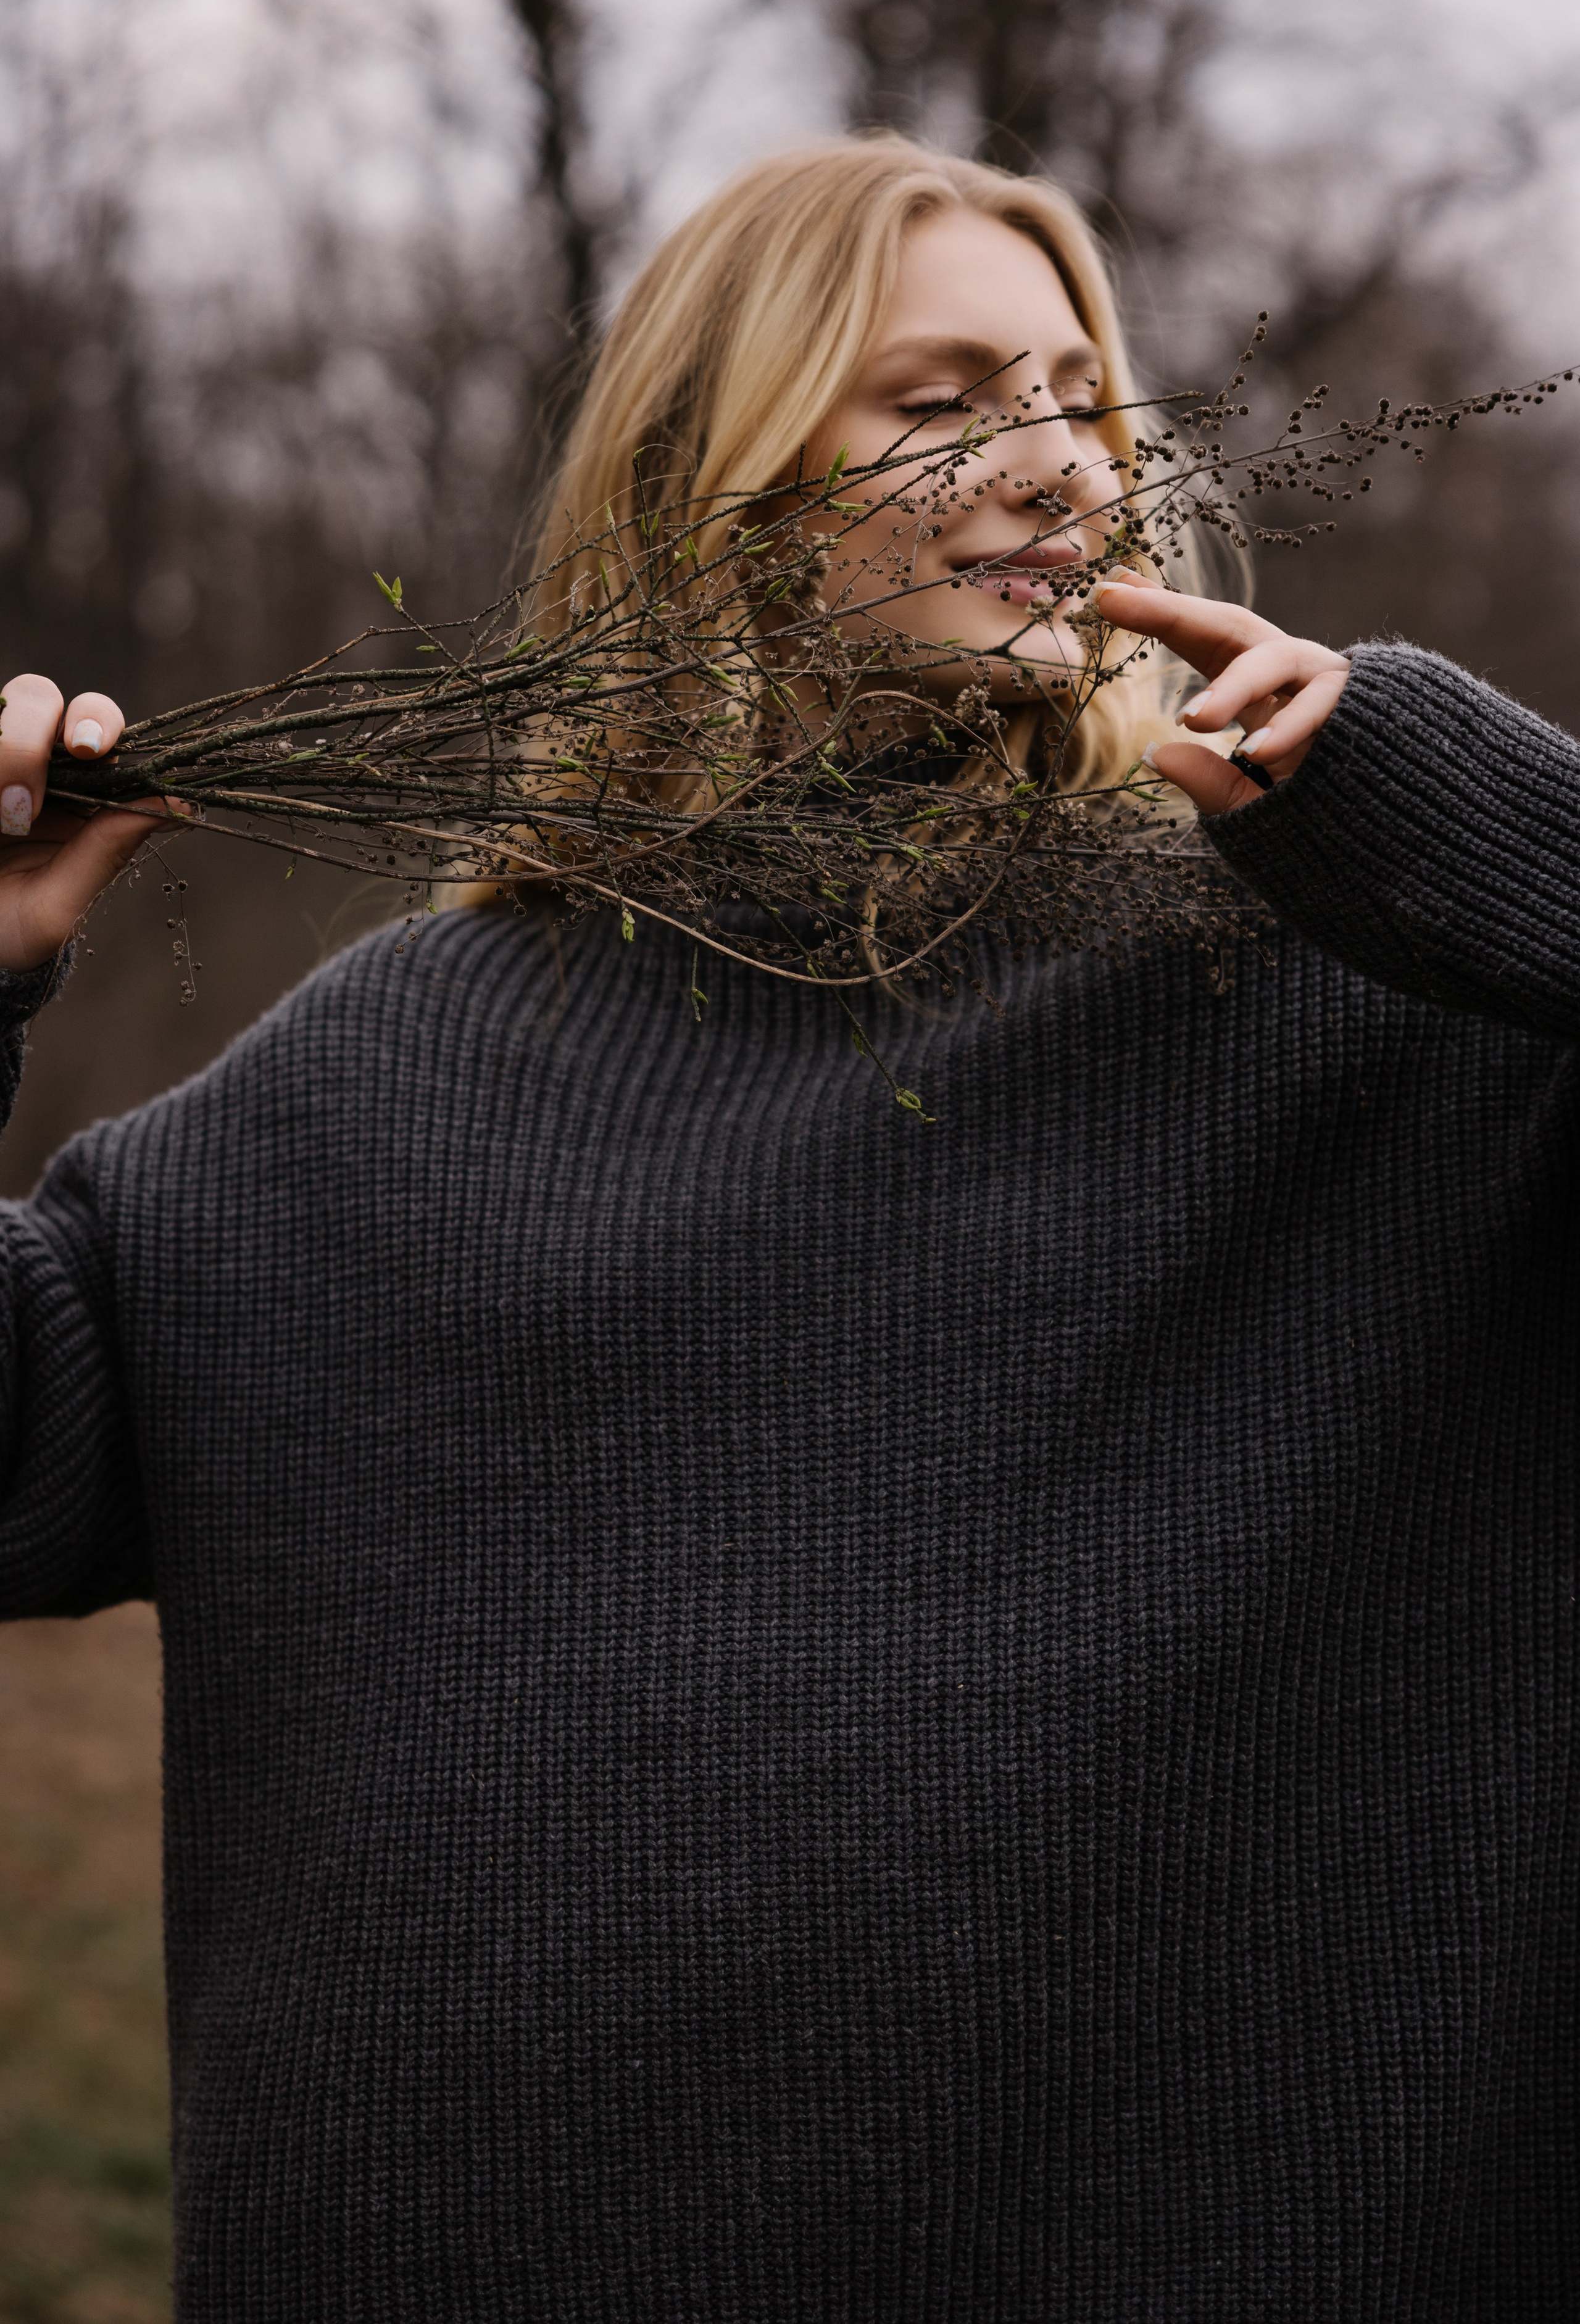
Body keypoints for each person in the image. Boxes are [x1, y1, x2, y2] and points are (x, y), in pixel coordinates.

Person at [1, 135, 1574, 2322]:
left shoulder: (1377, 1000)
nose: (1055, 464)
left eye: (1082, 401)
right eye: (938, 401)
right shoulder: (386, 1070)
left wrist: (1473, 822)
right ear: (707, 490)